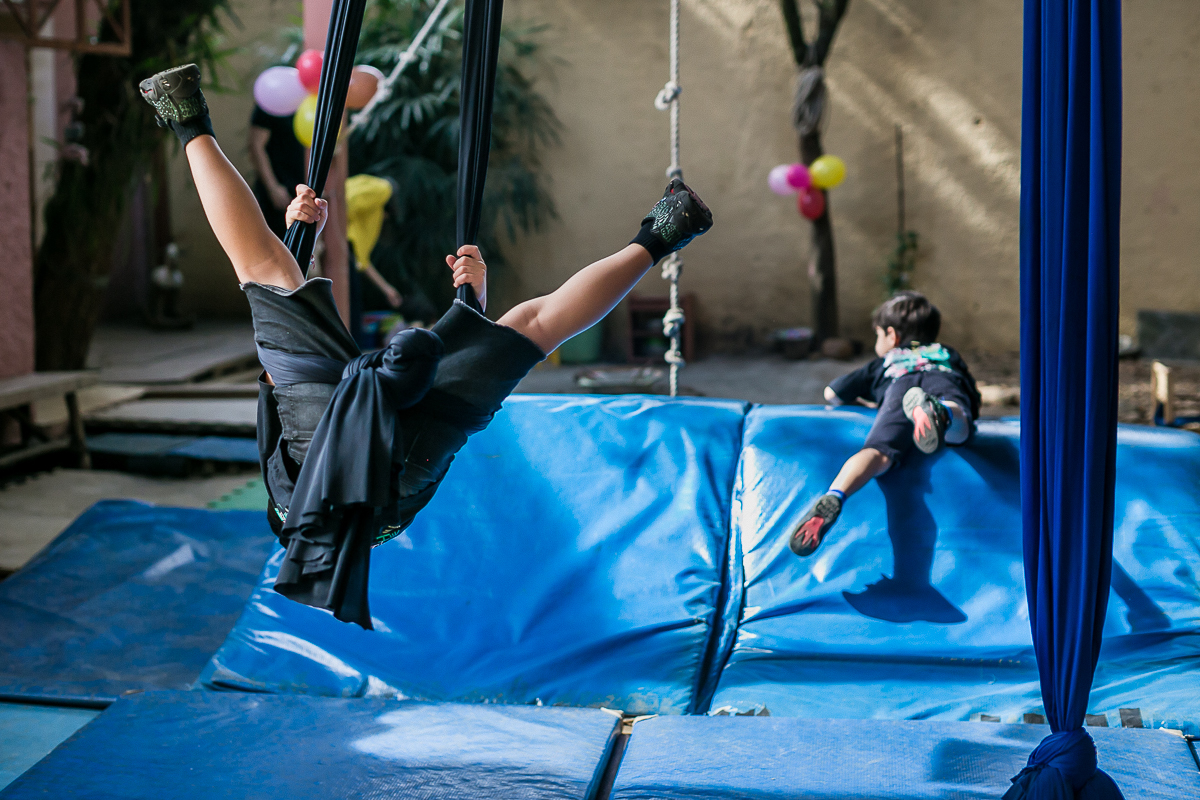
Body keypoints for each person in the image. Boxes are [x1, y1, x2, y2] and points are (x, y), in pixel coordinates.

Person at [139, 64, 713, 627]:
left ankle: (665, 229)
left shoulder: (392, 519)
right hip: (325, 439)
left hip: (407, 462)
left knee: (534, 325)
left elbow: (431, 409)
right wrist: (299, 244)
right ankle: (187, 118)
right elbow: (281, 364)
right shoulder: (285, 482)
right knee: (262, 268)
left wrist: (471, 309)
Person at [788, 291, 981, 558]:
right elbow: (973, 394)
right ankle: (942, 413)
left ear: (892, 335)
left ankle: (836, 494)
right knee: (961, 428)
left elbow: (832, 393)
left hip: (898, 390)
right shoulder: (945, 353)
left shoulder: (884, 362)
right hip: (942, 380)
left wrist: (869, 406)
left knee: (878, 452)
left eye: (878, 335)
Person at [247, 102, 307, 238]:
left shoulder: (314, 98)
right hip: (279, 194)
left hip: (305, 193)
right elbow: (256, 145)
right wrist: (273, 187)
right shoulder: (272, 99)